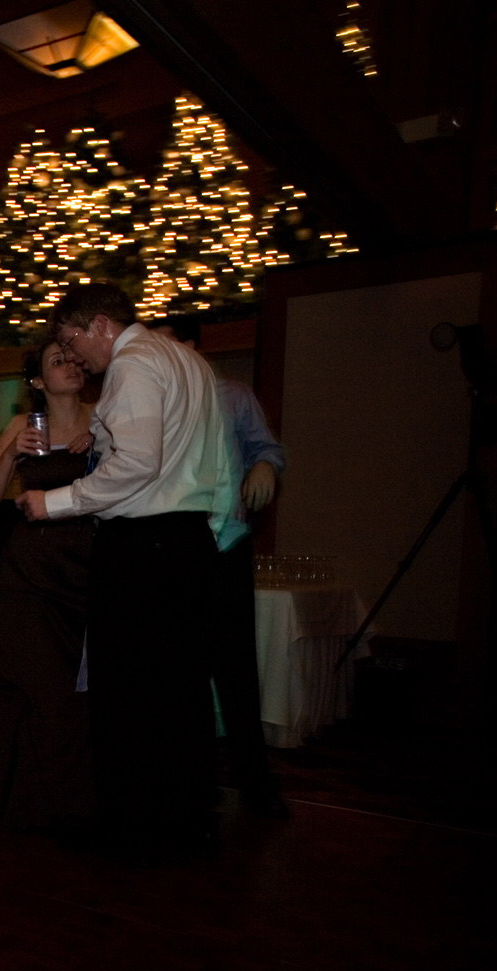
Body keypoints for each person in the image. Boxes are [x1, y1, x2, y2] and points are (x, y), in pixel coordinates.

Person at [17, 284, 235, 857]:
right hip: (188, 541)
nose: (75, 358)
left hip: (143, 548)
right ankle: (188, 820)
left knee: (130, 693)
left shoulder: (132, 365)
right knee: (181, 692)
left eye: (71, 341)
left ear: (98, 326)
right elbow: (192, 453)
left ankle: (135, 830)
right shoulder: (188, 361)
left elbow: (142, 463)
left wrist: (55, 501)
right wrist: (106, 437)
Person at [150, 315, 288, 817]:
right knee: (180, 674)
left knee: (236, 671)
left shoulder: (233, 395)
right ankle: (191, 787)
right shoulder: (152, 405)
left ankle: (256, 785)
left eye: (164, 346)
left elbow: (268, 447)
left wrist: (265, 465)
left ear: (190, 346)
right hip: (172, 550)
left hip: (226, 544)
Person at [0, 342, 98, 831]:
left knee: (73, 690)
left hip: (84, 568)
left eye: (74, 358)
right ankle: (21, 804)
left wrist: (102, 450)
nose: (70, 365)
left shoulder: (104, 416)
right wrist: (9, 454)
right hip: (29, 571)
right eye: (57, 362)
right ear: (39, 382)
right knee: (31, 686)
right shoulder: (26, 426)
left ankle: (64, 801)